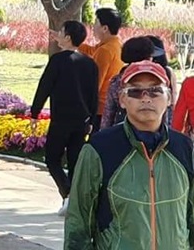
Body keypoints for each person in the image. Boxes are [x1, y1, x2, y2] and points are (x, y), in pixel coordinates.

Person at [64, 61, 194, 249]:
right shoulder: (99, 149)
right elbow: (79, 223)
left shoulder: (184, 149)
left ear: (169, 98)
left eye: (155, 90)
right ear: (122, 100)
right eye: (135, 91)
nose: (146, 98)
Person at [28, 20, 98, 216]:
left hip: (61, 119)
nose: (58, 35)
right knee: (75, 161)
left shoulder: (57, 60)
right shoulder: (89, 63)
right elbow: (93, 94)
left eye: (61, 32)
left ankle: (67, 194)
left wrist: (35, 112)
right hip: (82, 121)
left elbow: (44, 87)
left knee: (52, 159)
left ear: (68, 37)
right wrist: (92, 120)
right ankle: (73, 201)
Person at [79, 8, 124, 131]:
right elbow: (92, 50)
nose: (93, 27)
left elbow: (95, 83)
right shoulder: (115, 44)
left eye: (95, 23)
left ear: (105, 28)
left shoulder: (105, 50)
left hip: (101, 108)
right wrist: (72, 42)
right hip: (112, 105)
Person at [98, 37, 156, 129]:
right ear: (147, 58)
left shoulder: (117, 81)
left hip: (121, 131)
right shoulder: (157, 81)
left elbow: (108, 113)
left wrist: (104, 135)